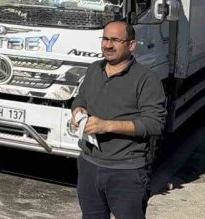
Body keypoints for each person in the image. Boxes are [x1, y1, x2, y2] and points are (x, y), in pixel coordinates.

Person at [71, 20, 167, 219]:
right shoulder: (94, 69)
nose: (108, 45)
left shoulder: (147, 79)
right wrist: (78, 109)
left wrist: (107, 126)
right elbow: (81, 98)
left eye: (115, 40)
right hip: (89, 165)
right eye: (105, 39)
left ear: (131, 45)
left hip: (127, 171)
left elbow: (154, 123)